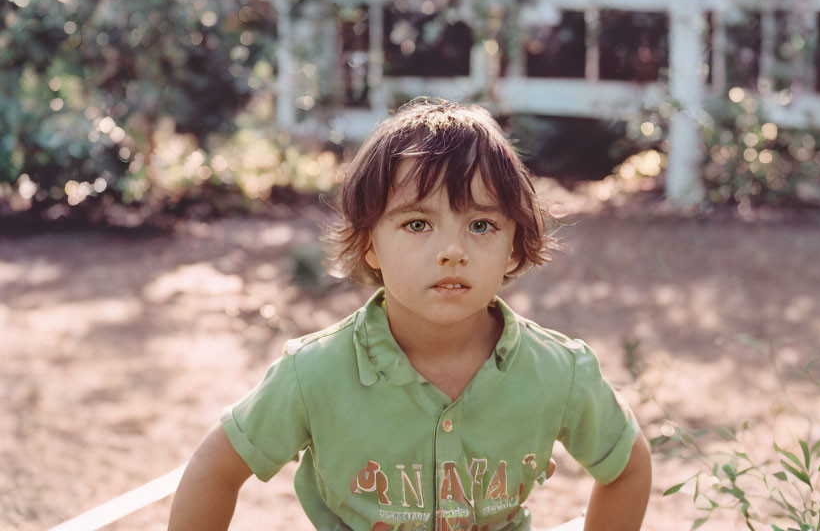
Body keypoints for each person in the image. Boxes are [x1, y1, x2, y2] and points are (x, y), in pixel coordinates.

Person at [168, 98, 651, 531]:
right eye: (418, 223)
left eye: (481, 224)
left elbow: (629, 467)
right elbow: (216, 468)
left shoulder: (559, 373)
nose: (452, 251)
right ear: (369, 243)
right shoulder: (313, 374)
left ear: (513, 247)